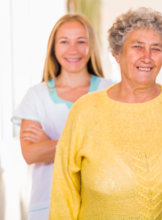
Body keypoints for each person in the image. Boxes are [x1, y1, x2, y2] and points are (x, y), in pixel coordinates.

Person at [49, 7, 162, 220]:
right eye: (137, 46)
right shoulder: (85, 111)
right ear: (117, 53)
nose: (147, 57)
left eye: (156, 49)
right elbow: (64, 193)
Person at [11, 14, 113, 220]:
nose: (72, 50)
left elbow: (114, 148)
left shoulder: (109, 91)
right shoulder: (36, 96)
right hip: (46, 206)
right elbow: (31, 154)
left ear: (91, 46)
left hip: (98, 204)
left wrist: (50, 144)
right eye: (64, 41)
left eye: (81, 42)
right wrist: (89, 143)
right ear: (53, 48)